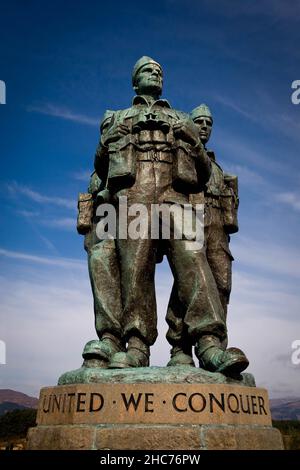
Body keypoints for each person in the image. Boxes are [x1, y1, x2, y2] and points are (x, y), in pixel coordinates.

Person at [94, 56, 232, 370]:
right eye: (147, 70)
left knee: (193, 260)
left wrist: (194, 141)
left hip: (175, 197)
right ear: (135, 81)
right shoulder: (117, 117)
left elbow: (204, 169)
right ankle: (137, 344)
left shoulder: (181, 118)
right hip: (135, 194)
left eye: (159, 71)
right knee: (135, 268)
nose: (155, 73)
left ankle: (209, 343)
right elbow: (101, 165)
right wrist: (106, 142)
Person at [166, 104, 248, 374]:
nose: (203, 126)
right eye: (198, 121)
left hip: (216, 227)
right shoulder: (181, 152)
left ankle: (215, 344)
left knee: (221, 283)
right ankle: (181, 347)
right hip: (191, 216)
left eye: (208, 123)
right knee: (188, 281)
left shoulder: (217, 165)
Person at [77, 111, 125, 368]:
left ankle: (138, 342)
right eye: (105, 127)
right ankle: (110, 337)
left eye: (113, 126)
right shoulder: (96, 174)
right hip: (102, 230)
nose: (110, 130)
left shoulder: (129, 157)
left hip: (132, 224)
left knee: (133, 279)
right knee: (102, 270)